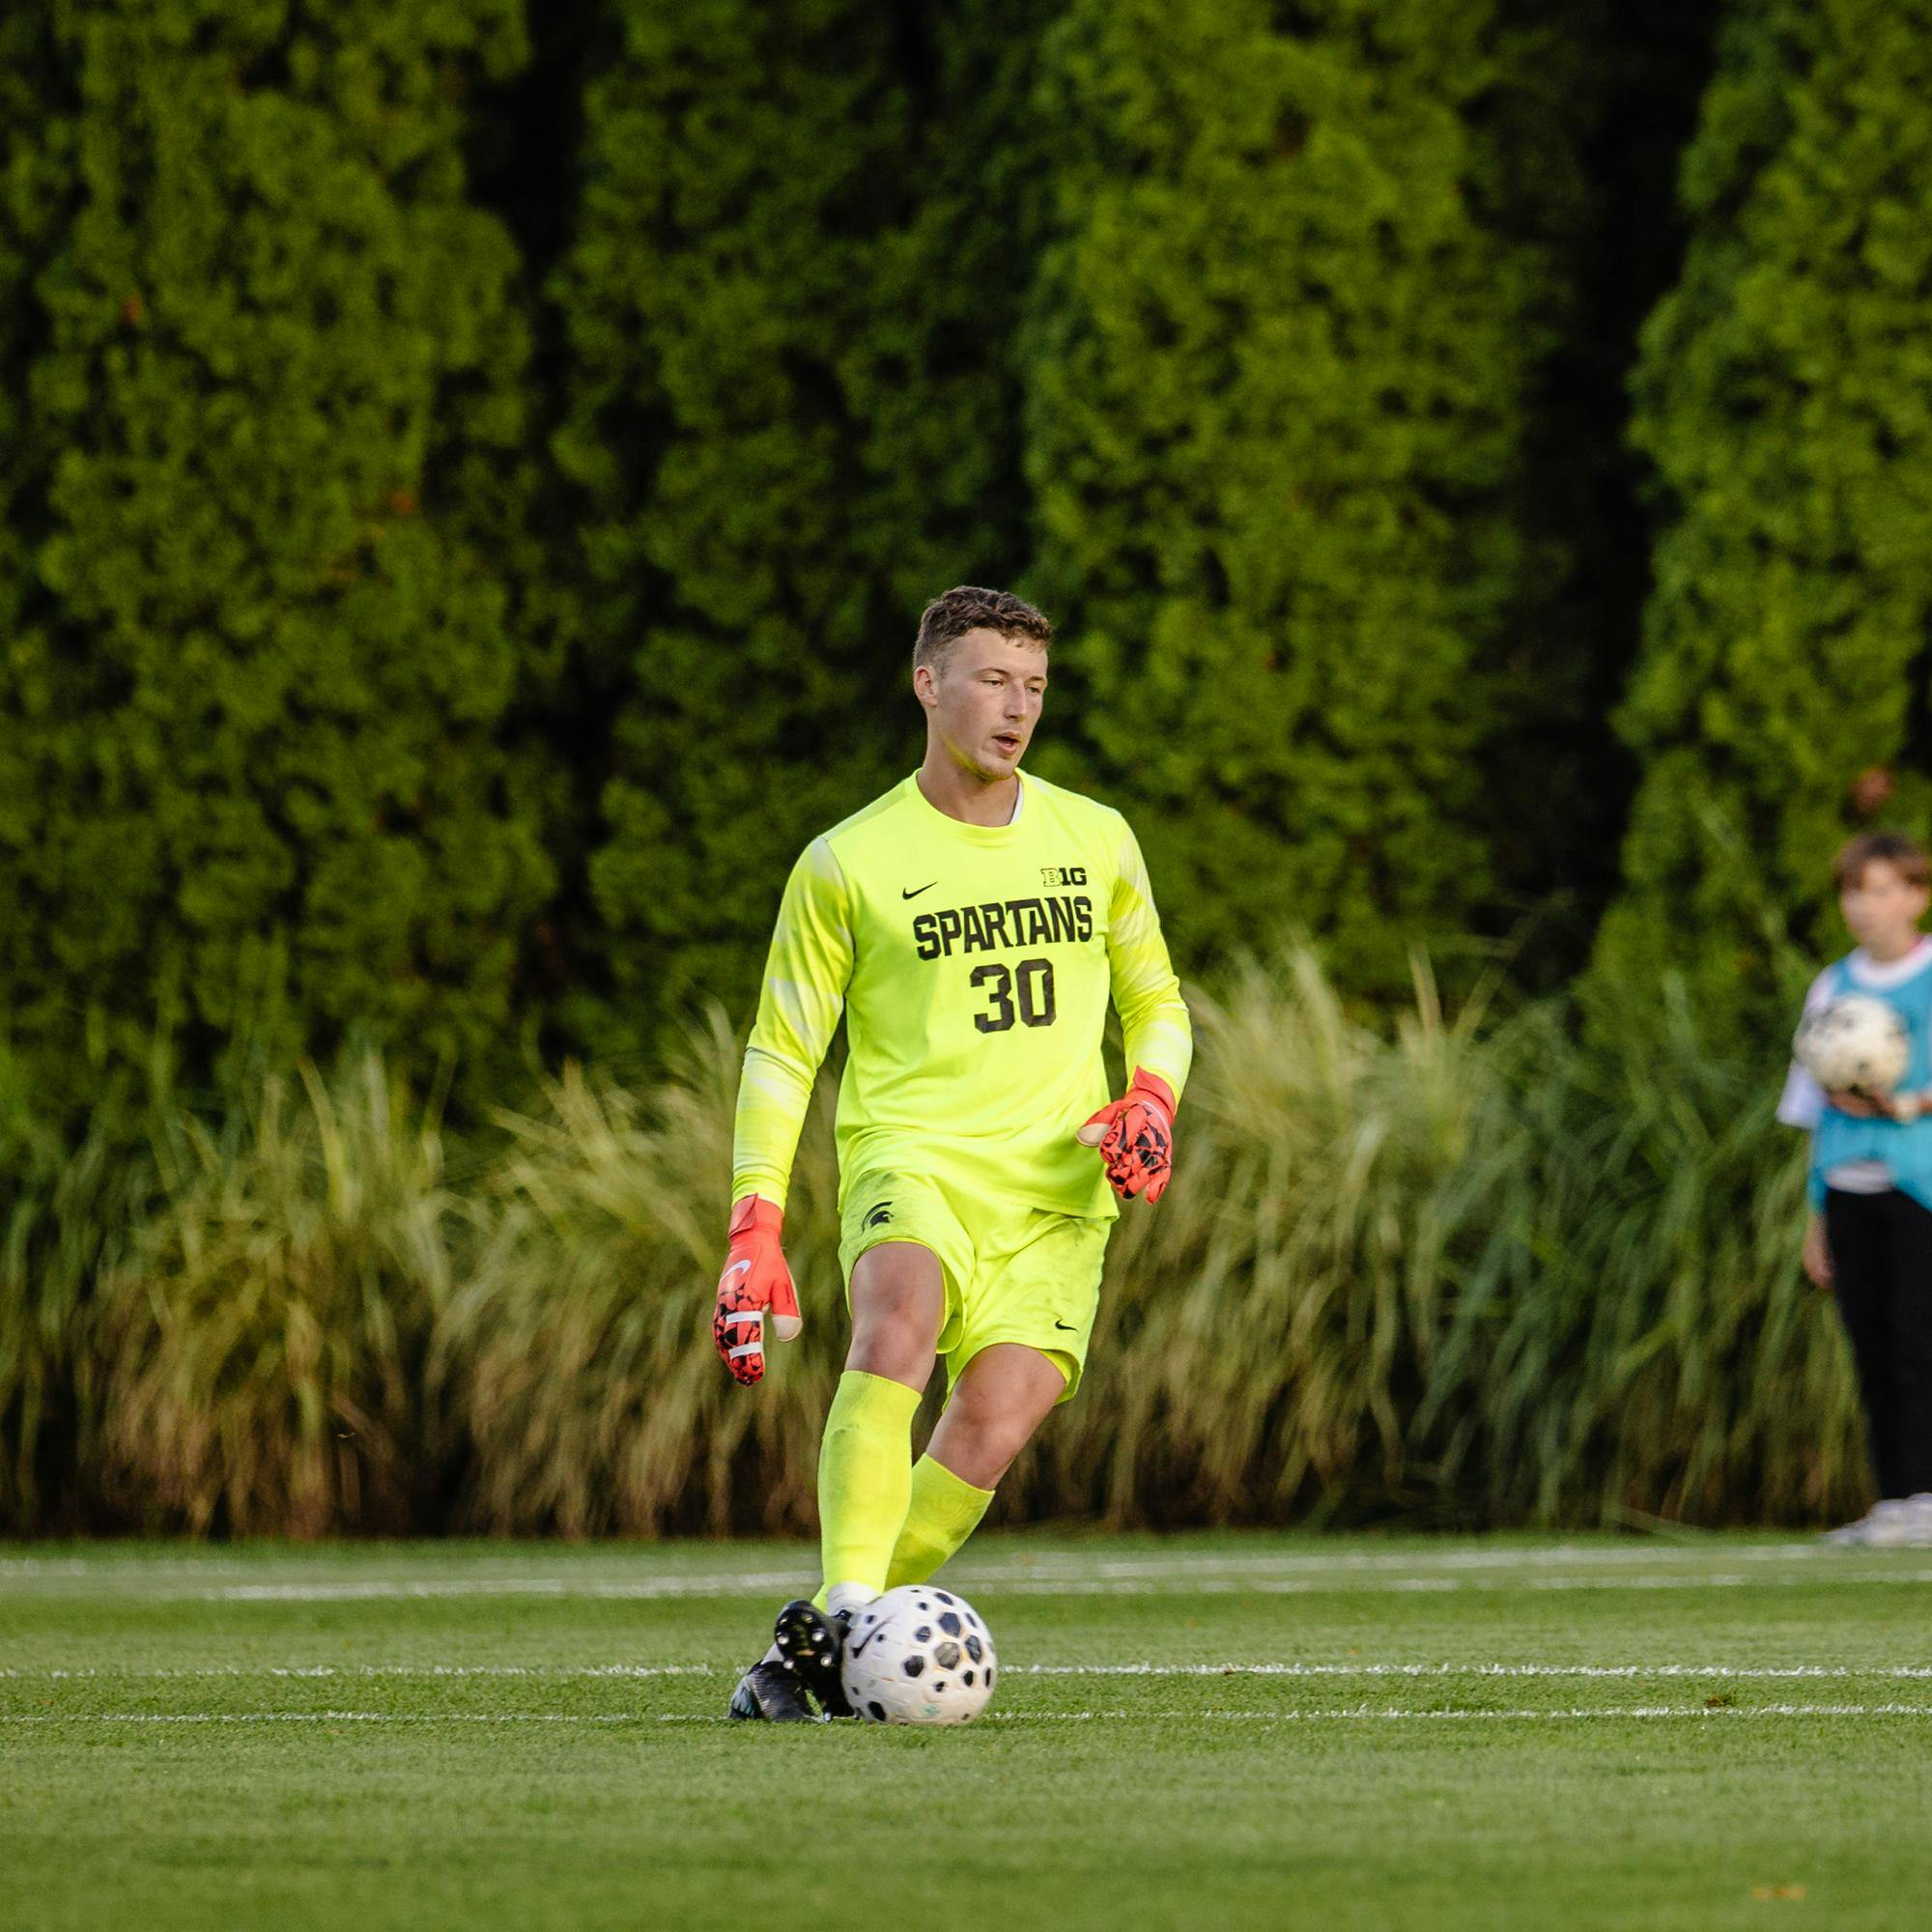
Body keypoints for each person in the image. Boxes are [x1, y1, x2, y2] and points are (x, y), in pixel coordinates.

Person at [715, 585, 1192, 1719]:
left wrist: (1152, 1098)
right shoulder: (845, 862)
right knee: (896, 1328)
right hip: (913, 1157)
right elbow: (782, 1052)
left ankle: (819, 1656)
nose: (1015, 706)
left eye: (1032, 684)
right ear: (926, 682)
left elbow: (1157, 998)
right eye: (990, 679)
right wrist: (755, 1221)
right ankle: (837, 1616)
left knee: (993, 1422)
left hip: (1060, 1187)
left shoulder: (1096, 836)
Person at [1778, 830, 1932, 1548]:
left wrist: (1906, 1103)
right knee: (1868, 1344)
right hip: (1845, 1186)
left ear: (1915, 895)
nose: (1865, 908)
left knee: (1915, 1340)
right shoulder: (1832, 985)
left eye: (1880, 890)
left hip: (1918, 1189)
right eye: (1852, 892)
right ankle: (1895, 1499)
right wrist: (1814, 1218)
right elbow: (1812, 1109)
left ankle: (1926, 1493)